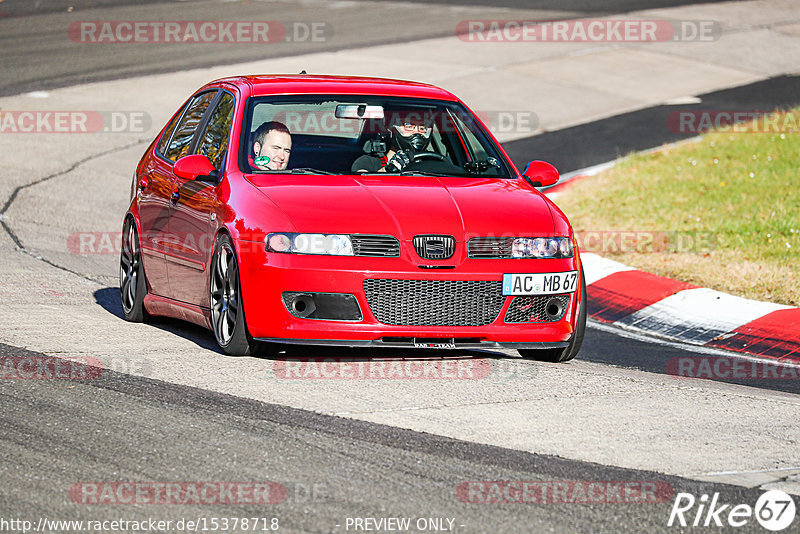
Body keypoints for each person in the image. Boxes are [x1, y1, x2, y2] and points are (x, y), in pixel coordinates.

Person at [351, 110, 433, 173]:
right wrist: (388, 170)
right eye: (408, 126)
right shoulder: (367, 162)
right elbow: (362, 189)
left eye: (422, 128)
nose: (416, 132)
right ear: (391, 129)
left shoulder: (433, 163)